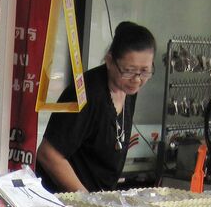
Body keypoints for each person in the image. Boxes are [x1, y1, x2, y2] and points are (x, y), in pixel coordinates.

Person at [36, 22, 155, 194]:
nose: (137, 80)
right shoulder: (85, 94)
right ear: (109, 61)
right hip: (67, 202)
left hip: (99, 199)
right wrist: (87, 200)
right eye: (128, 71)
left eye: (145, 71)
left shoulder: (128, 90)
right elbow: (48, 154)